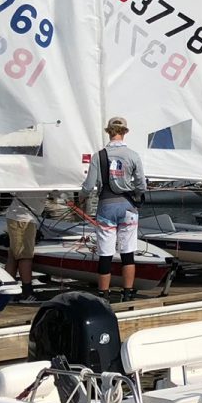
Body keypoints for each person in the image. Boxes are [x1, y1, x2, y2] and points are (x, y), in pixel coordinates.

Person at [81, 116, 146, 299]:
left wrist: (82, 196)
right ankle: (127, 293)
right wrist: (138, 194)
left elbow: (88, 186)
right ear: (125, 132)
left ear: (108, 132)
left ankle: (104, 294)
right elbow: (141, 184)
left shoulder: (98, 156)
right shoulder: (133, 155)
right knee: (127, 252)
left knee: (105, 253)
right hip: (128, 207)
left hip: (106, 206)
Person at [2, 193, 41, 303]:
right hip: (22, 218)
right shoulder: (41, 179)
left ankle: (8, 289)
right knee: (25, 256)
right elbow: (57, 191)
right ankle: (27, 292)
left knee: (14, 255)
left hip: (20, 217)